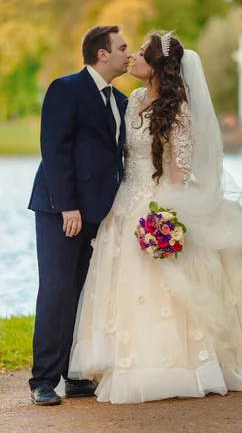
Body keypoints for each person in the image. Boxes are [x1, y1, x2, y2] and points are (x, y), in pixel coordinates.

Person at [69, 31, 242, 404]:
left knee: (172, 284)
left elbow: (180, 176)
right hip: (123, 204)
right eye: (129, 51)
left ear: (157, 68)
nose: (132, 57)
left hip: (158, 203)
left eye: (142, 54)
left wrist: (166, 219)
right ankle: (122, 362)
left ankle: (184, 363)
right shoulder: (132, 99)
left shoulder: (178, 111)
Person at [28, 25, 131, 405]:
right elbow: (53, 150)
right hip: (60, 210)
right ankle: (42, 379)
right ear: (101, 54)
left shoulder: (120, 101)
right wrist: (67, 205)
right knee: (56, 291)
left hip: (100, 214)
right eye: (122, 48)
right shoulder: (65, 89)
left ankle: (73, 373)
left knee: (84, 293)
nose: (128, 54)